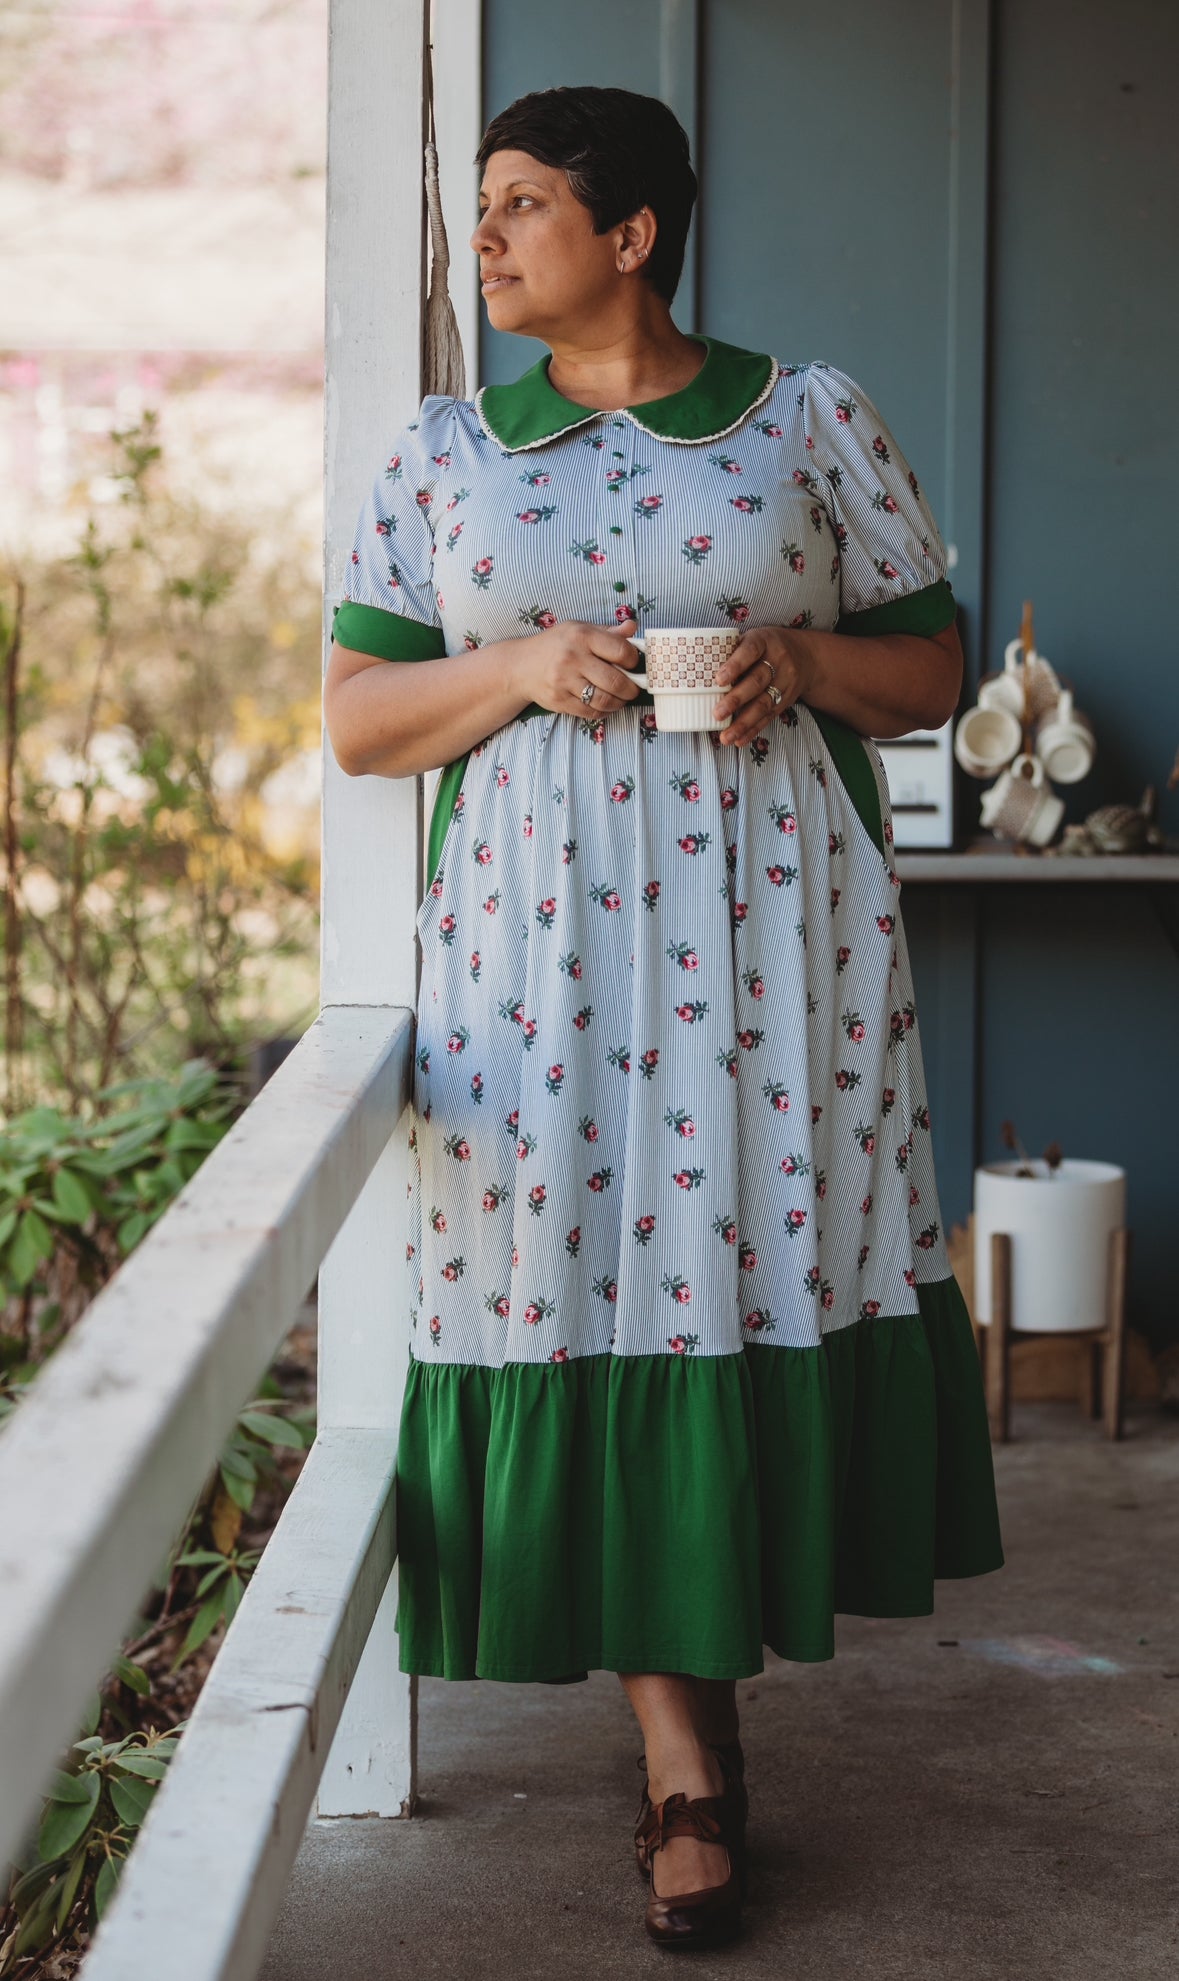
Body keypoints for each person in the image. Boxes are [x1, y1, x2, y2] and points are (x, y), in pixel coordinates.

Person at [324, 83, 1003, 1952]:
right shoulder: (447, 453)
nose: (485, 236)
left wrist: (804, 657)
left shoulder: (808, 416)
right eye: (480, 204)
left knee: (742, 1274)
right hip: (534, 969)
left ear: (631, 235)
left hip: (777, 955)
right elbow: (361, 719)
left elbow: (932, 669)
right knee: (576, 1280)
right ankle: (682, 1757)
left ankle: (697, 1742)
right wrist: (522, 667)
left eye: (523, 203)